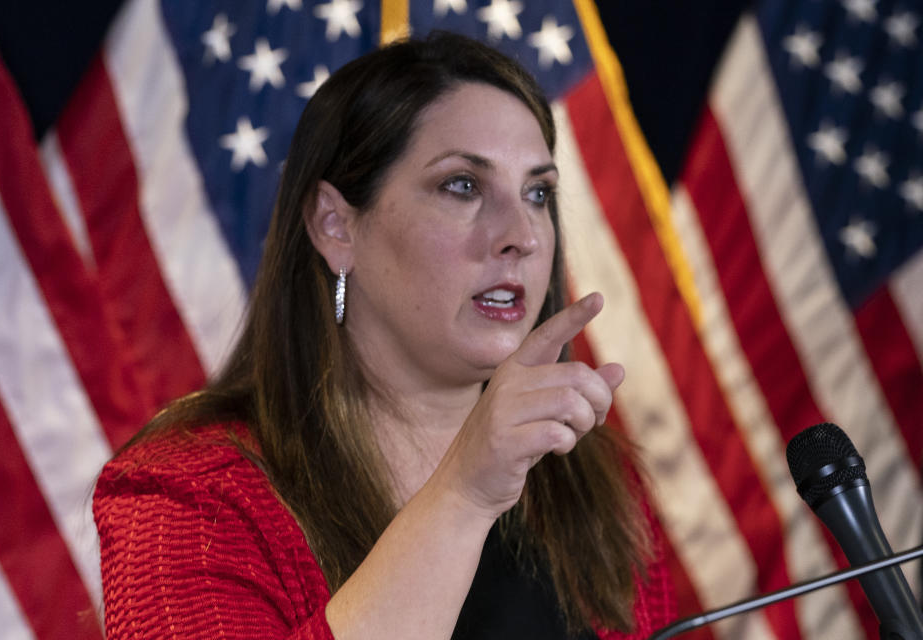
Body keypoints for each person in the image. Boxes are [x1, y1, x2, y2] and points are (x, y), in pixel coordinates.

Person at [93, 32, 676, 639]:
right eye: (463, 186)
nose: (522, 235)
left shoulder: (597, 484)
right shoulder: (186, 498)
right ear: (336, 226)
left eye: (538, 193)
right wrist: (463, 494)